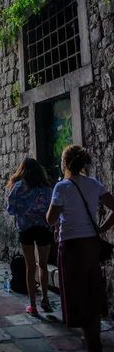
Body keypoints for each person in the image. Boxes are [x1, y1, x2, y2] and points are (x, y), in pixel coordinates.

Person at [47, 145, 114, 352]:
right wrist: (101, 228)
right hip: (91, 244)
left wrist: (59, 219)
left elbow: (50, 219)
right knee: (92, 288)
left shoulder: (62, 187)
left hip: (71, 246)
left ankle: (91, 340)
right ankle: (93, 337)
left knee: (78, 291)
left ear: (65, 164)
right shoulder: (94, 184)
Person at [7, 157, 53, 315]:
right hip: (43, 228)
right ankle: (45, 298)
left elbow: (10, 209)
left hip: (26, 228)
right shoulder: (46, 188)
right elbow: (51, 208)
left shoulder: (19, 187)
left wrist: (23, 211)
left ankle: (33, 305)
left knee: (30, 266)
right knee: (43, 265)